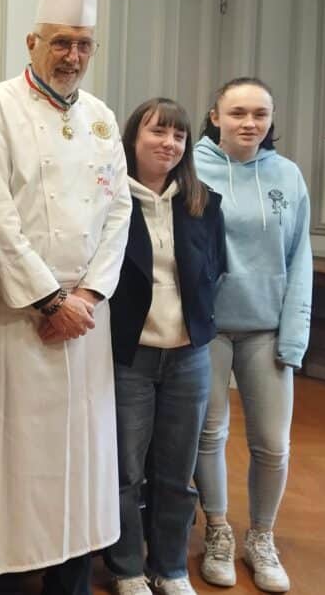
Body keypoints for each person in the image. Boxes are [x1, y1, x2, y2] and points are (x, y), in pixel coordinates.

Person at [0, 0, 131, 595]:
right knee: (13, 463)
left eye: (83, 43)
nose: (73, 54)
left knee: (82, 460)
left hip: (86, 321)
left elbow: (119, 213)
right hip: (17, 318)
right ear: (32, 41)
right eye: (60, 40)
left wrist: (88, 297)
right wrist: (47, 299)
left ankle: (69, 579)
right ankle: (3, 581)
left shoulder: (102, 118)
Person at [193, 77, 312, 594]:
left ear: (270, 120)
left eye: (260, 114)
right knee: (208, 435)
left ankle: (260, 537)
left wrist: (294, 335)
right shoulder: (192, 167)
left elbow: (300, 259)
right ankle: (217, 530)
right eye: (238, 112)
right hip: (209, 329)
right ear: (216, 116)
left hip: (266, 329)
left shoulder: (287, 175)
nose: (250, 123)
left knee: (272, 443)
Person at [103, 98, 226, 595]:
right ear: (133, 138)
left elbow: (215, 269)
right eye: (158, 133)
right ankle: (127, 566)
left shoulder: (203, 202)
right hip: (129, 355)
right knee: (127, 470)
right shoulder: (109, 198)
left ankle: (171, 566)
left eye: (178, 136)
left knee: (177, 470)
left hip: (189, 356)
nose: (169, 144)